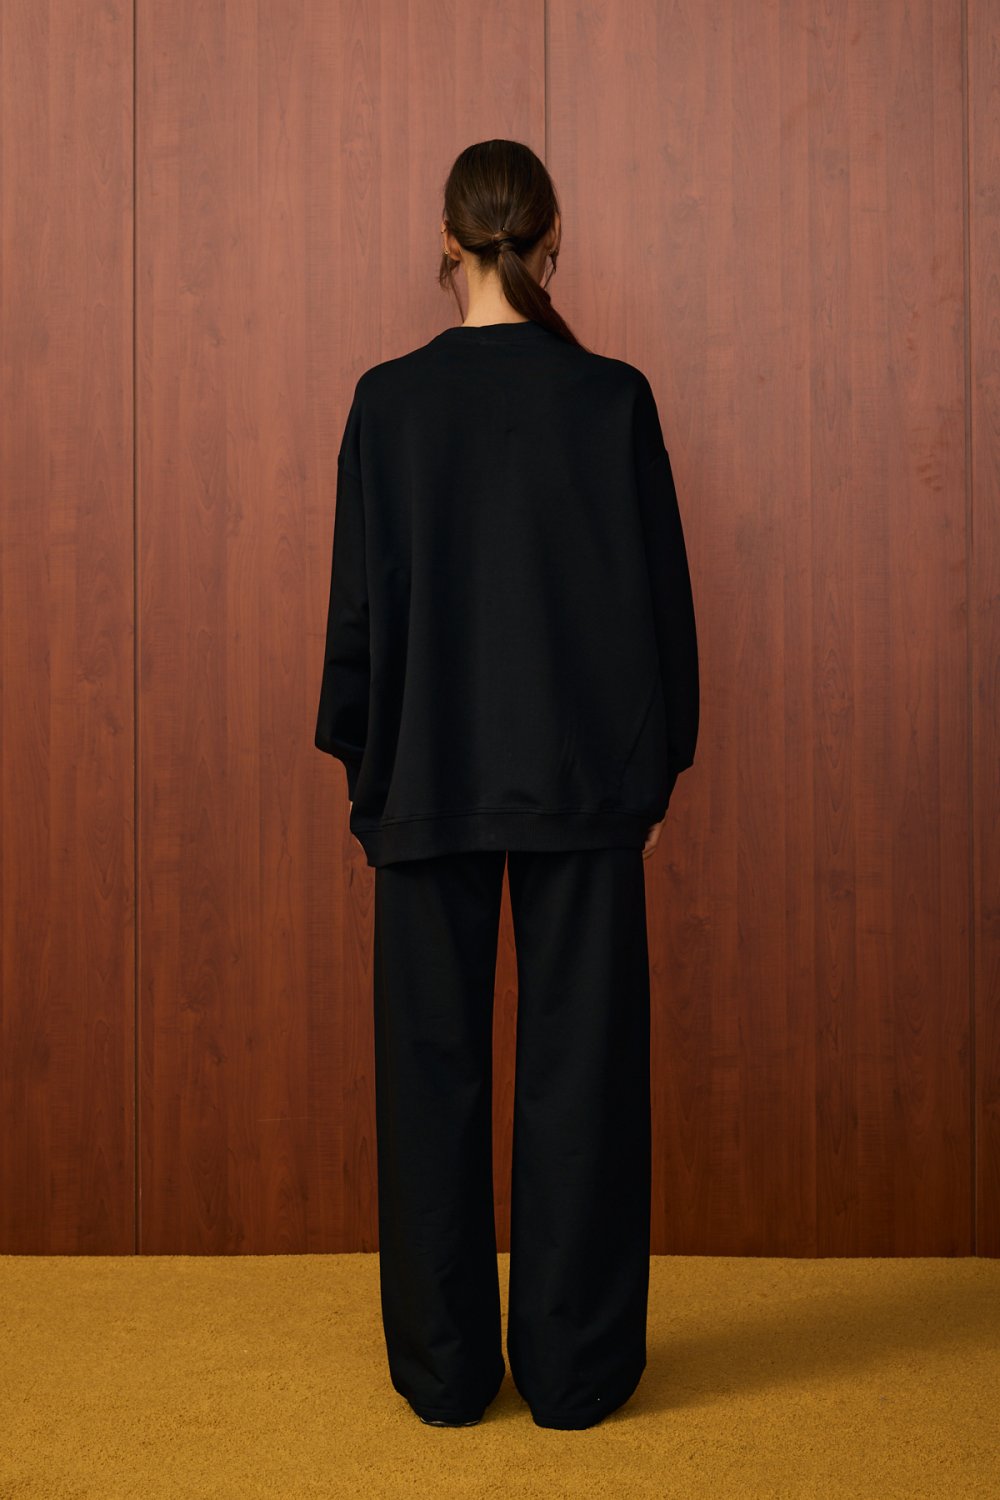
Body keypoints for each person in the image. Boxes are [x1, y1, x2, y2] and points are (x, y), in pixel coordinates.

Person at [316, 139, 699, 1431]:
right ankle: (575, 1373)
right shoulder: (613, 400)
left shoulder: (386, 404)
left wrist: (368, 770)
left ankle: (443, 1374)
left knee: (429, 1078)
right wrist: (654, 774)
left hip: (425, 777)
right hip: (585, 781)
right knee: (582, 1077)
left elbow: (358, 614)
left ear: (446, 238)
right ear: (552, 242)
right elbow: (662, 607)